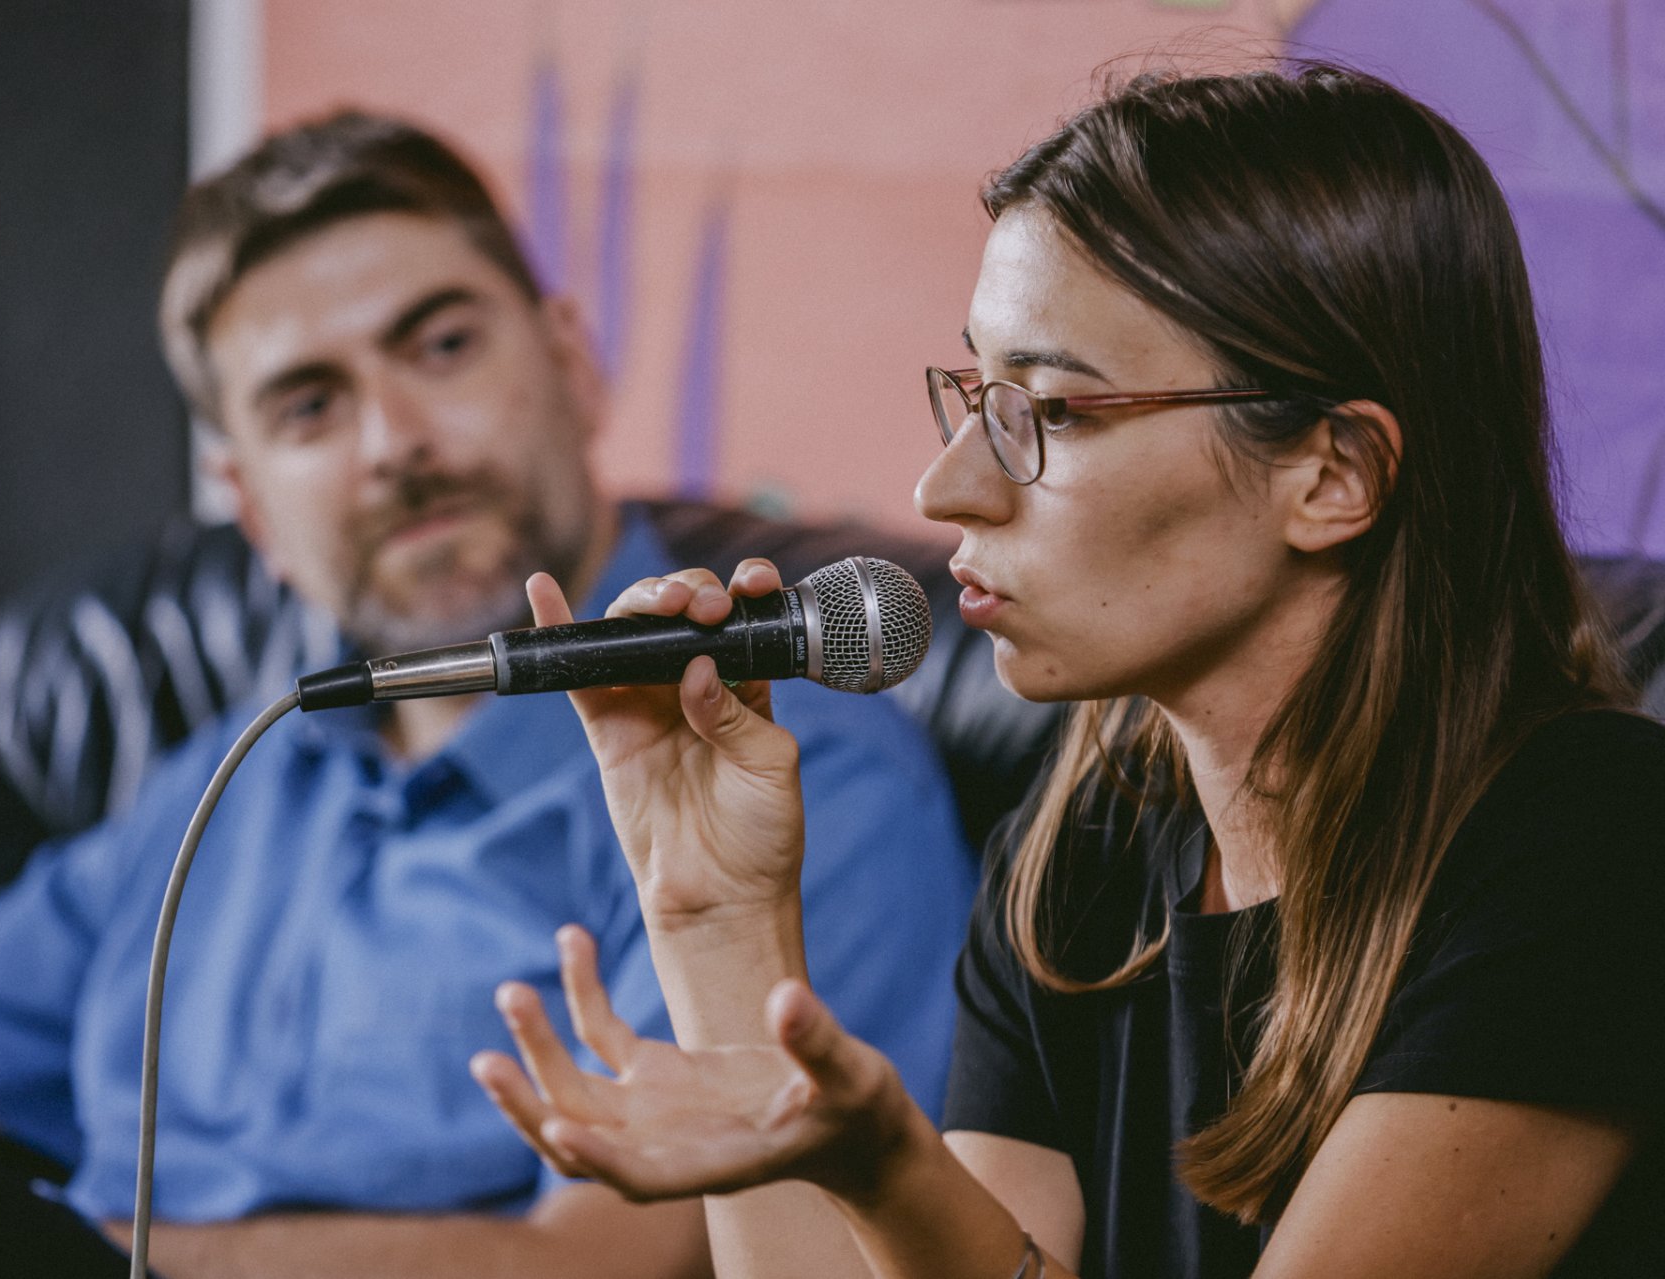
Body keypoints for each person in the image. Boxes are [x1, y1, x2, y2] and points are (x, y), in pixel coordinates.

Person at [471, 64, 1665, 1278]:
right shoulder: (1086, 852)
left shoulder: (1598, 842)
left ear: (1331, 475)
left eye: (1053, 412)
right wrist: (719, 923)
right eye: (976, 395)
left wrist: (893, 1169)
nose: (946, 488)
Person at [0, 113, 978, 1278]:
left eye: (442, 346)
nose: (393, 442)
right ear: (253, 510)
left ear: (573, 364)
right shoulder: (230, 777)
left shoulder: (773, 770)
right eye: (310, 406)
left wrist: (38, 1252)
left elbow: (613, 1264)